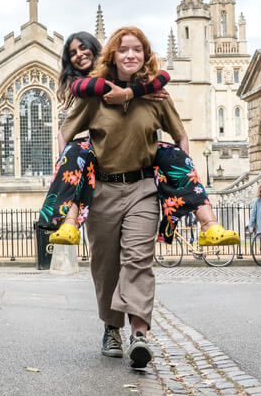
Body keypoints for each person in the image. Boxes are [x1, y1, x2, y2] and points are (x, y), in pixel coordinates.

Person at [59, 26, 235, 369]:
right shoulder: (93, 96)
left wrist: (179, 169)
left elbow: (181, 136)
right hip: (103, 190)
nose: (130, 55)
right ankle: (112, 327)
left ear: (145, 54)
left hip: (142, 188)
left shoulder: (156, 95)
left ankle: (139, 334)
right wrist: (69, 175)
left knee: (138, 259)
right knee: (105, 265)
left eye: (136, 49)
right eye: (123, 49)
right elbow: (65, 135)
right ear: (112, 54)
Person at [38, 32, 170, 245]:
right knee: (73, 154)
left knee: (172, 154)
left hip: (137, 173)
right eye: (72, 53)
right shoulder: (79, 83)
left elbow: (164, 76)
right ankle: (66, 220)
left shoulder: (122, 70)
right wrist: (137, 92)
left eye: (83, 48)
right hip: (96, 163)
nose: (79, 55)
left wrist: (132, 91)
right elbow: (96, 88)